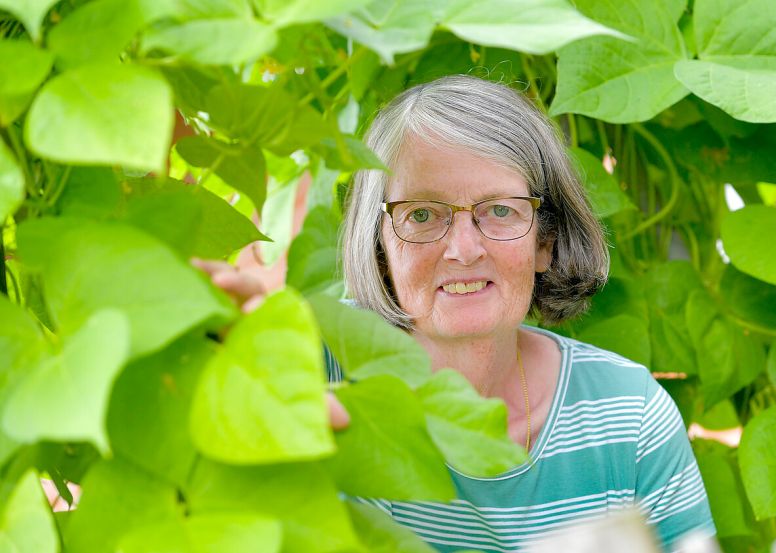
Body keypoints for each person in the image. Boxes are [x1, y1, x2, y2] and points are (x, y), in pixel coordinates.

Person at [202, 75, 714, 552]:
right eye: (421, 215)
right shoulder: (311, 368)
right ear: (378, 246)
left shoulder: (628, 413)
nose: (463, 249)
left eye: (500, 210)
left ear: (546, 241)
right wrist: (229, 353)